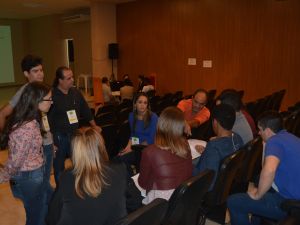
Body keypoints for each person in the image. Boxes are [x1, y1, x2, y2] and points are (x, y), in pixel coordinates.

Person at [227, 111, 300, 225]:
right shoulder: (291, 137)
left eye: (260, 129)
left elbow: (269, 170)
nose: (258, 133)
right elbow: (265, 167)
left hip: (290, 203)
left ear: (268, 130)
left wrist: (258, 195)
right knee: (259, 184)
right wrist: (265, 144)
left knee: (234, 202)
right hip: (294, 196)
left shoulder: (274, 142)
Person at [46, 127, 127, 225]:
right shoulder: (119, 170)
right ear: (101, 147)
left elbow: (52, 217)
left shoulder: (67, 178)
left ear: (75, 153)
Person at [0, 54, 54, 198]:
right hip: (36, 151)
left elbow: (44, 119)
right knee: (42, 190)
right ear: (26, 74)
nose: (41, 74)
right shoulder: (25, 91)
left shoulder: (42, 89)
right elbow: (3, 113)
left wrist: (50, 139)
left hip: (46, 144)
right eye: (36, 71)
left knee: (43, 186)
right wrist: (6, 139)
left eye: (41, 70)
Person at [0, 82, 53, 225]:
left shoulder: (33, 120)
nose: (51, 102)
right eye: (49, 99)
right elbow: (16, 161)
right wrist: (4, 176)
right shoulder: (26, 128)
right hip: (28, 177)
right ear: (36, 100)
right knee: (36, 217)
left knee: (42, 209)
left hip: (34, 174)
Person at [48, 66, 101, 184]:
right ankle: (60, 193)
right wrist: (51, 141)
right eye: (68, 78)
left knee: (78, 164)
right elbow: (48, 120)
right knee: (59, 168)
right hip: (59, 137)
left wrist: (94, 126)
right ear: (60, 80)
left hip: (74, 135)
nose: (72, 80)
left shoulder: (75, 92)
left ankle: (77, 188)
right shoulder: (52, 95)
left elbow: (86, 110)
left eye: (72, 77)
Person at [138, 106, 193, 204]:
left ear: (160, 124)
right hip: (183, 197)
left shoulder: (149, 151)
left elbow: (143, 184)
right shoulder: (185, 143)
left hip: (160, 204)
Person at [193, 104, 244, 188]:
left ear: (215, 122)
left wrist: (187, 164)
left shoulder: (214, 147)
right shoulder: (238, 138)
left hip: (206, 188)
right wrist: (206, 152)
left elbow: (207, 182)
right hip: (227, 184)